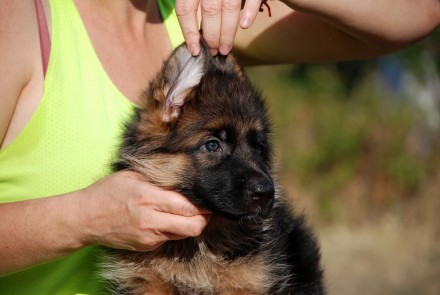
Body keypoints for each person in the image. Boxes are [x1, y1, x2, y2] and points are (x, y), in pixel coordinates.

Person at [0, 0, 438, 293]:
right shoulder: (18, 21)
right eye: (212, 146)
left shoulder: (202, 14)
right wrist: (83, 218)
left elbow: (418, 13)